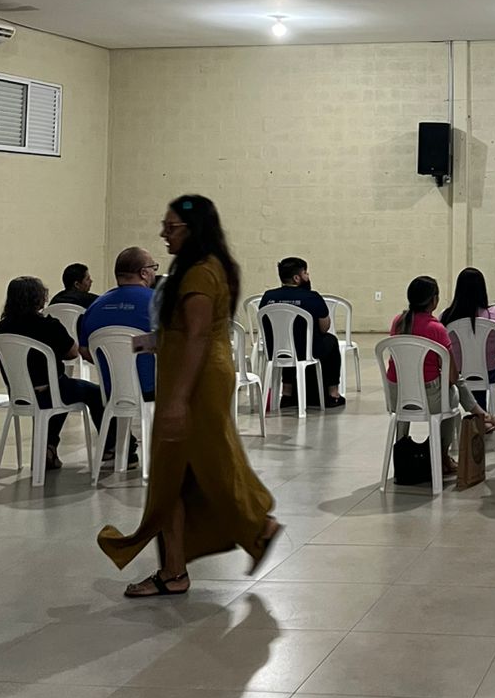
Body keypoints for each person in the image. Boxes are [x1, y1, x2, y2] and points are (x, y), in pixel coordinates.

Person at [98, 195, 281, 595]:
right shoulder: (203, 267)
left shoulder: (199, 273)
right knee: (180, 477)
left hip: (196, 382)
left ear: (193, 229)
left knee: (200, 468)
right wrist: (155, 340)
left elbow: (198, 336)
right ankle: (176, 570)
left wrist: (179, 399)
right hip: (194, 374)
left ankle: (254, 525)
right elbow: (189, 330)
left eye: (171, 227)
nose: (164, 233)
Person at [0, 276, 107, 471]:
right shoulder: (48, 325)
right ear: (38, 299)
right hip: (50, 391)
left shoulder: (2, 328)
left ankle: (49, 447)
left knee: (62, 389)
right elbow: (72, 352)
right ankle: (111, 447)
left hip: (19, 394)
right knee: (93, 393)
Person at [388, 276, 464, 470]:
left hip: (397, 394)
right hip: (429, 397)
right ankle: (442, 455)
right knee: (452, 396)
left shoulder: (397, 322)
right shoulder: (436, 329)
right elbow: (452, 376)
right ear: (434, 300)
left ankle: (402, 450)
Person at [258, 256, 345, 410]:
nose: (308, 276)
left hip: (275, 350)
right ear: (297, 278)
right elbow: (324, 327)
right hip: (306, 351)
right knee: (331, 341)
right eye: (305, 273)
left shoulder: (268, 296)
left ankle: (287, 393)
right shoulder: (312, 297)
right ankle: (333, 393)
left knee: (287, 343)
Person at [79, 246, 160, 398]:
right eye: (153, 268)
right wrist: (138, 345)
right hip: (152, 391)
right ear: (144, 273)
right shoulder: (159, 301)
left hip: (111, 392)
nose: (154, 273)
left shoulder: (94, 307)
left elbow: (84, 350)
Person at [440, 267, 495, 433]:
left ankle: (479, 418)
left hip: (458, 372)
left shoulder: (446, 316)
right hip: (489, 372)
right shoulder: (494, 314)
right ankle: (483, 417)